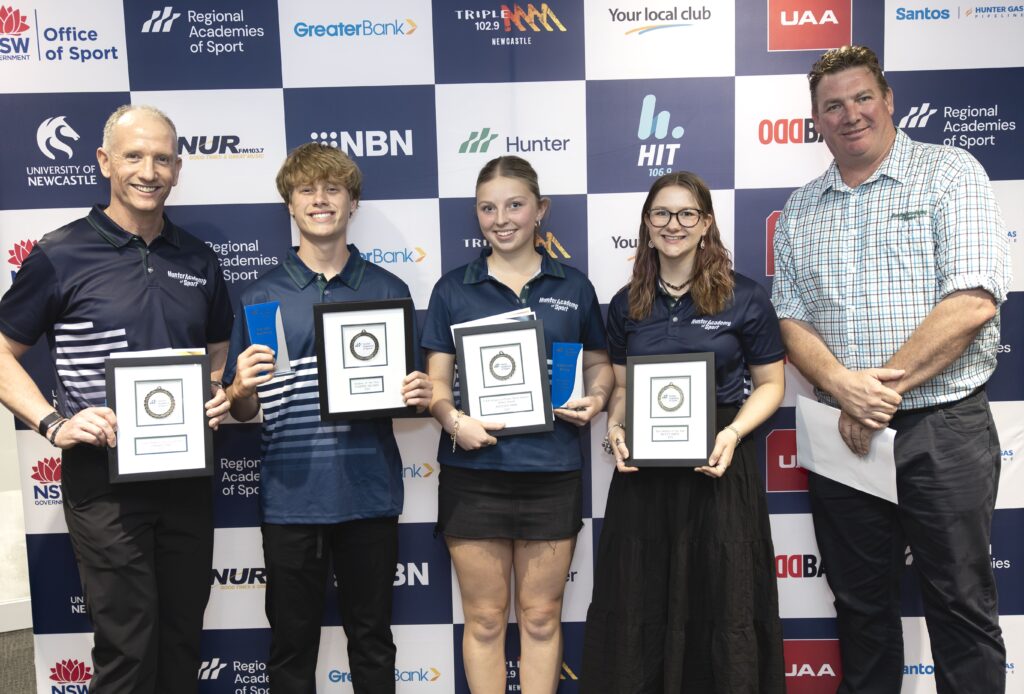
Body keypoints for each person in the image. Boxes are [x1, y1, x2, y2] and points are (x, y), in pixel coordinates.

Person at [771, 45, 1009, 693]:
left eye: (862, 97)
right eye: (832, 106)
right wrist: (845, 391)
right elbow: (790, 320)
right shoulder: (800, 211)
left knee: (960, 605)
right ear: (814, 120)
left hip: (943, 429)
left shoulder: (949, 172)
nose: (850, 115)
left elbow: (972, 300)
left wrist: (875, 390)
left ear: (889, 99)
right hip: (845, 433)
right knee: (860, 611)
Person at [0, 105, 233, 693]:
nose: (148, 170)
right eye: (133, 156)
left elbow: (215, 358)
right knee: (128, 649)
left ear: (177, 169)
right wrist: (54, 424)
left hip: (186, 478)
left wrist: (218, 397)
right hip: (103, 483)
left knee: (182, 640)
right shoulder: (60, 253)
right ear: (105, 162)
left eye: (161, 158)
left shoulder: (199, 259)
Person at [222, 143, 431, 693]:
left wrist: (419, 392)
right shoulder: (261, 296)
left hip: (369, 495)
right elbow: (244, 409)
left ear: (352, 202)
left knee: (372, 642)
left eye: (333, 188)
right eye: (307, 190)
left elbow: (411, 398)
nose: (320, 200)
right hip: (291, 501)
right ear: (289, 204)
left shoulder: (389, 290)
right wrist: (241, 388)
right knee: (291, 648)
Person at [581, 171, 787, 693]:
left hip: (718, 462)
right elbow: (623, 390)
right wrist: (618, 429)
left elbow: (770, 385)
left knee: (723, 598)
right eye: (661, 214)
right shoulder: (627, 303)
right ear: (647, 227)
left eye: (686, 214)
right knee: (638, 600)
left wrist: (734, 432)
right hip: (645, 475)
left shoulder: (746, 298)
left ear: (706, 224)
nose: (673, 224)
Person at [422, 155, 612, 693]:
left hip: (551, 472)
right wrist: (453, 420)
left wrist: (597, 399)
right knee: (483, 620)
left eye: (514, 205)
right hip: (474, 474)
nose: (500, 218)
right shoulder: (453, 289)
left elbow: (598, 364)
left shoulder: (573, 286)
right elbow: (437, 384)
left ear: (539, 210)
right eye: (487, 208)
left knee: (540, 618)